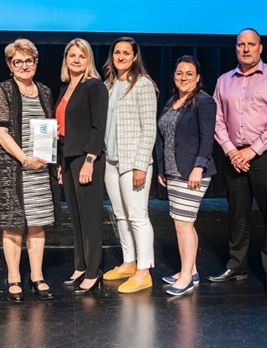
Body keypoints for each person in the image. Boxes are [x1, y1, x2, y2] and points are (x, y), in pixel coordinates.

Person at [210, 28, 267, 297]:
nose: (245, 49)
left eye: (251, 44)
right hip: (234, 156)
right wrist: (232, 150)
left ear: (260, 48)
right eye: (240, 44)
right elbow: (217, 120)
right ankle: (237, 266)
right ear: (236, 48)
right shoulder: (223, 81)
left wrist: (251, 151)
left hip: (266, 156)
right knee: (238, 216)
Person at [0, 38, 61, 303]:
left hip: (41, 169)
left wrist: (50, 159)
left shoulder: (44, 91)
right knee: (13, 226)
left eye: (28, 60)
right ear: (10, 64)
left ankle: (37, 276)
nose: (23, 66)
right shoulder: (4, 90)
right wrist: (24, 159)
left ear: (36, 62)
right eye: (17, 61)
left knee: (38, 224)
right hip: (15, 169)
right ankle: (14, 278)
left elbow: (49, 129)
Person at [156, 55, 217, 296]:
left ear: (198, 78)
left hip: (192, 172)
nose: (183, 77)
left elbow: (207, 138)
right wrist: (163, 169)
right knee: (182, 223)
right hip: (173, 170)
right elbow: (164, 138)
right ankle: (190, 271)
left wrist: (198, 167)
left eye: (189, 74)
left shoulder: (204, 102)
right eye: (179, 73)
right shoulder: (172, 101)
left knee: (183, 224)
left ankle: (185, 278)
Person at [101, 37, 158, 294]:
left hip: (132, 161)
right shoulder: (109, 85)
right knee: (120, 215)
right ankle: (128, 262)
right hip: (111, 161)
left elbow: (149, 129)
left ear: (135, 57)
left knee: (137, 216)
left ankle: (143, 271)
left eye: (126, 53)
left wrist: (141, 165)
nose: (121, 56)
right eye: (117, 52)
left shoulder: (143, 84)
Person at [56, 38, 108, 293]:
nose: (76, 60)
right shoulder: (66, 87)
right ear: (66, 58)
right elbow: (64, 128)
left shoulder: (94, 86)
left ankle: (92, 271)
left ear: (88, 60)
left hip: (86, 159)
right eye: (72, 55)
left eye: (82, 56)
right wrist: (59, 162)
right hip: (68, 158)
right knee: (76, 218)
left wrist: (90, 160)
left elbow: (98, 127)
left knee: (90, 218)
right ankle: (79, 265)